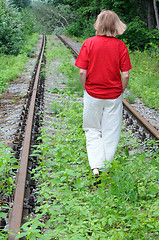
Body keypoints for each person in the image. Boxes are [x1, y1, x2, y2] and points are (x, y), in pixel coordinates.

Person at [75, 10, 132, 177]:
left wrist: (86, 88)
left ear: (98, 24)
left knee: (92, 129)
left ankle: (95, 166)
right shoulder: (120, 46)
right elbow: (126, 74)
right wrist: (120, 91)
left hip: (92, 93)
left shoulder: (89, 43)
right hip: (113, 96)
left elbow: (81, 72)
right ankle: (106, 166)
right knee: (111, 131)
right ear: (116, 26)